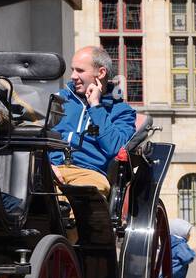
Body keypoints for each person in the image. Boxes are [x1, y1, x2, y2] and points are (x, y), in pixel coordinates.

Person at [47, 46, 136, 199]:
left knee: (73, 206)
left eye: (80, 71)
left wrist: (95, 106)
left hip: (89, 174)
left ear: (101, 73)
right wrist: (47, 166)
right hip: (50, 169)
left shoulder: (122, 111)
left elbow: (115, 148)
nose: (73, 76)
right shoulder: (59, 99)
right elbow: (39, 136)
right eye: (72, 69)